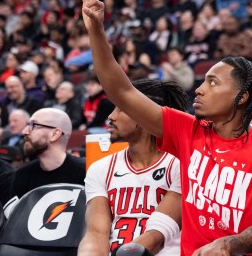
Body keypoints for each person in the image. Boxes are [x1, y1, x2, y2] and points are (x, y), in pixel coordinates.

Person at [80, 0, 252, 256]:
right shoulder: (189, 130)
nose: (199, 90)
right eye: (202, 81)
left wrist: (228, 244)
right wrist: (96, 32)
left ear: (243, 96)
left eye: (212, 83)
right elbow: (121, 91)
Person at [79, 79, 188, 256]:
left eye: (121, 109)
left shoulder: (181, 165)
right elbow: (95, 234)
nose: (111, 116)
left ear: (144, 114)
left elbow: (156, 238)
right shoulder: (100, 168)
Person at [9, 108, 85, 201]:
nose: (24, 131)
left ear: (55, 134)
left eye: (33, 125)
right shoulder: (22, 174)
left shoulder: (85, 172)